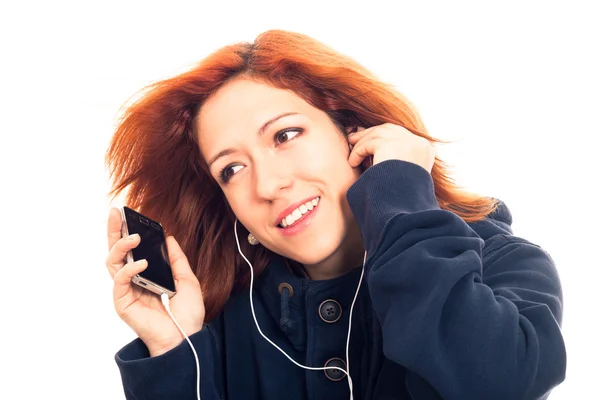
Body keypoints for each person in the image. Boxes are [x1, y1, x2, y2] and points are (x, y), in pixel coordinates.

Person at [104, 29, 566, 400]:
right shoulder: (222, 315)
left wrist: (400, 191)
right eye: (232, 169)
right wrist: (174, 351)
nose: (267, 186)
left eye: (285, 135)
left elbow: (494, 385)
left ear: (354, 132)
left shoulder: (504, 265)